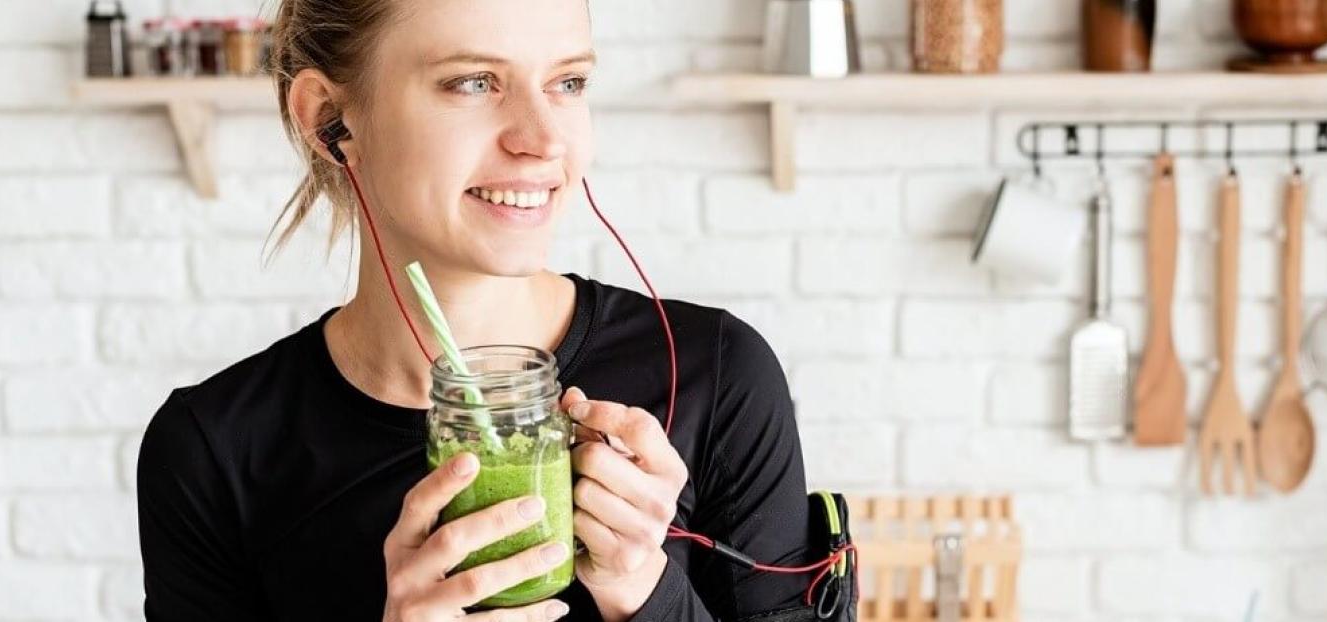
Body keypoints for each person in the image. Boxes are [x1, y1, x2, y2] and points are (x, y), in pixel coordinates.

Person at [134, 0, 825, 620]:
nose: (543, 138)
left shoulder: (717, 374)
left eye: (568, 83)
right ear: (330, 120)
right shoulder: (212, 451)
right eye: (473, 82)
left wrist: (646, 588)